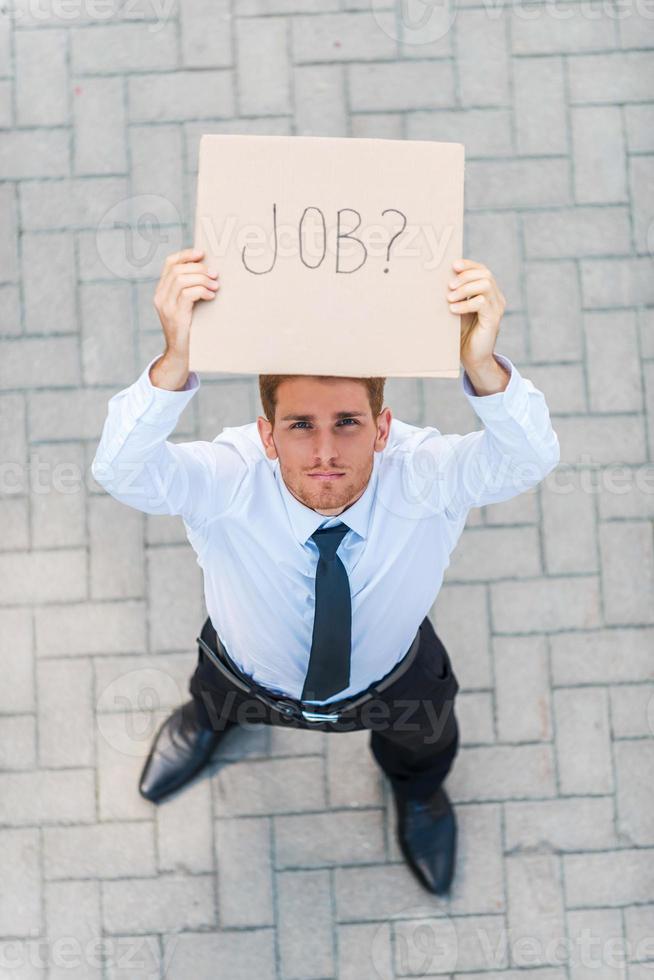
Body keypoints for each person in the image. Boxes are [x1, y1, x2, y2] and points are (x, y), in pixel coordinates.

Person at [91, 247, 560, 896]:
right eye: (300, 425)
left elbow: (527, 459)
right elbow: (122, 471)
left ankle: (418, 797)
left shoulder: (423, 473)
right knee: (214, 700)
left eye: (347, 423)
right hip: (244, 671)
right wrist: (173, 363)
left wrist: (482, 366)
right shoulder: (230, 477)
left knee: (422, 747)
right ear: (266, 434)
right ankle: (208, 726)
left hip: (395, 681)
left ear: (382, 427)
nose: (323, 452)